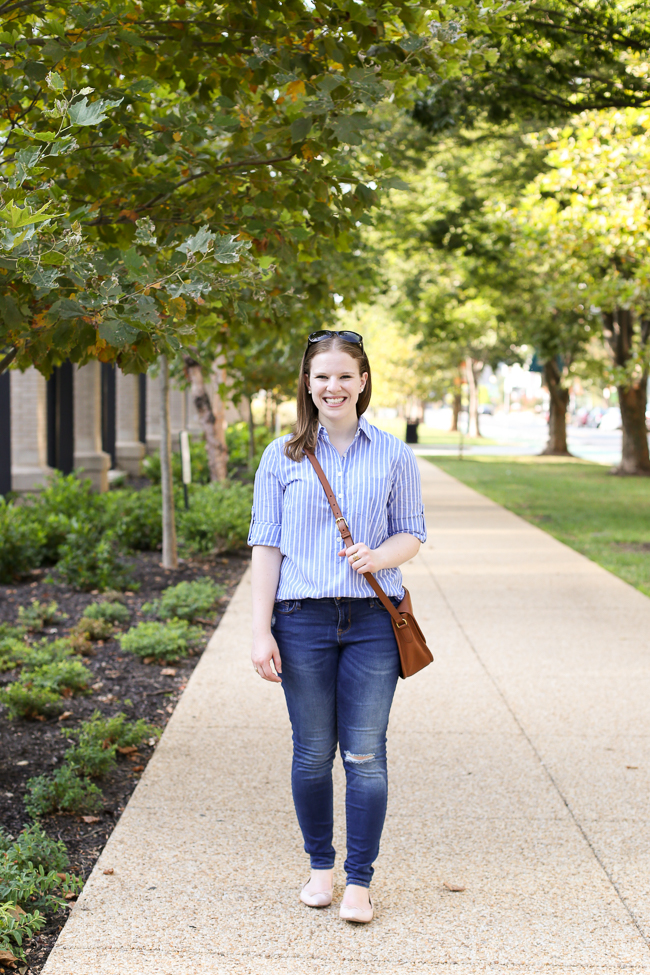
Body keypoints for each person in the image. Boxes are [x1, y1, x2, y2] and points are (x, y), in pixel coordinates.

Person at [248, 329, 426, 923]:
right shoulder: (282, 456)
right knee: (311, 751)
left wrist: (379, 556)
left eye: (345, 375)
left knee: (365, 754)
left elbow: (412, 533)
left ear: (364, 380)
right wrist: (259, 631)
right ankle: (319, 869)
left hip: (375, 619)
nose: (333, 386)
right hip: (301, 621)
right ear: (307, 382)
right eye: (322, 376)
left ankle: (359, 883)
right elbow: (266, 547)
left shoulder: (394, 453)